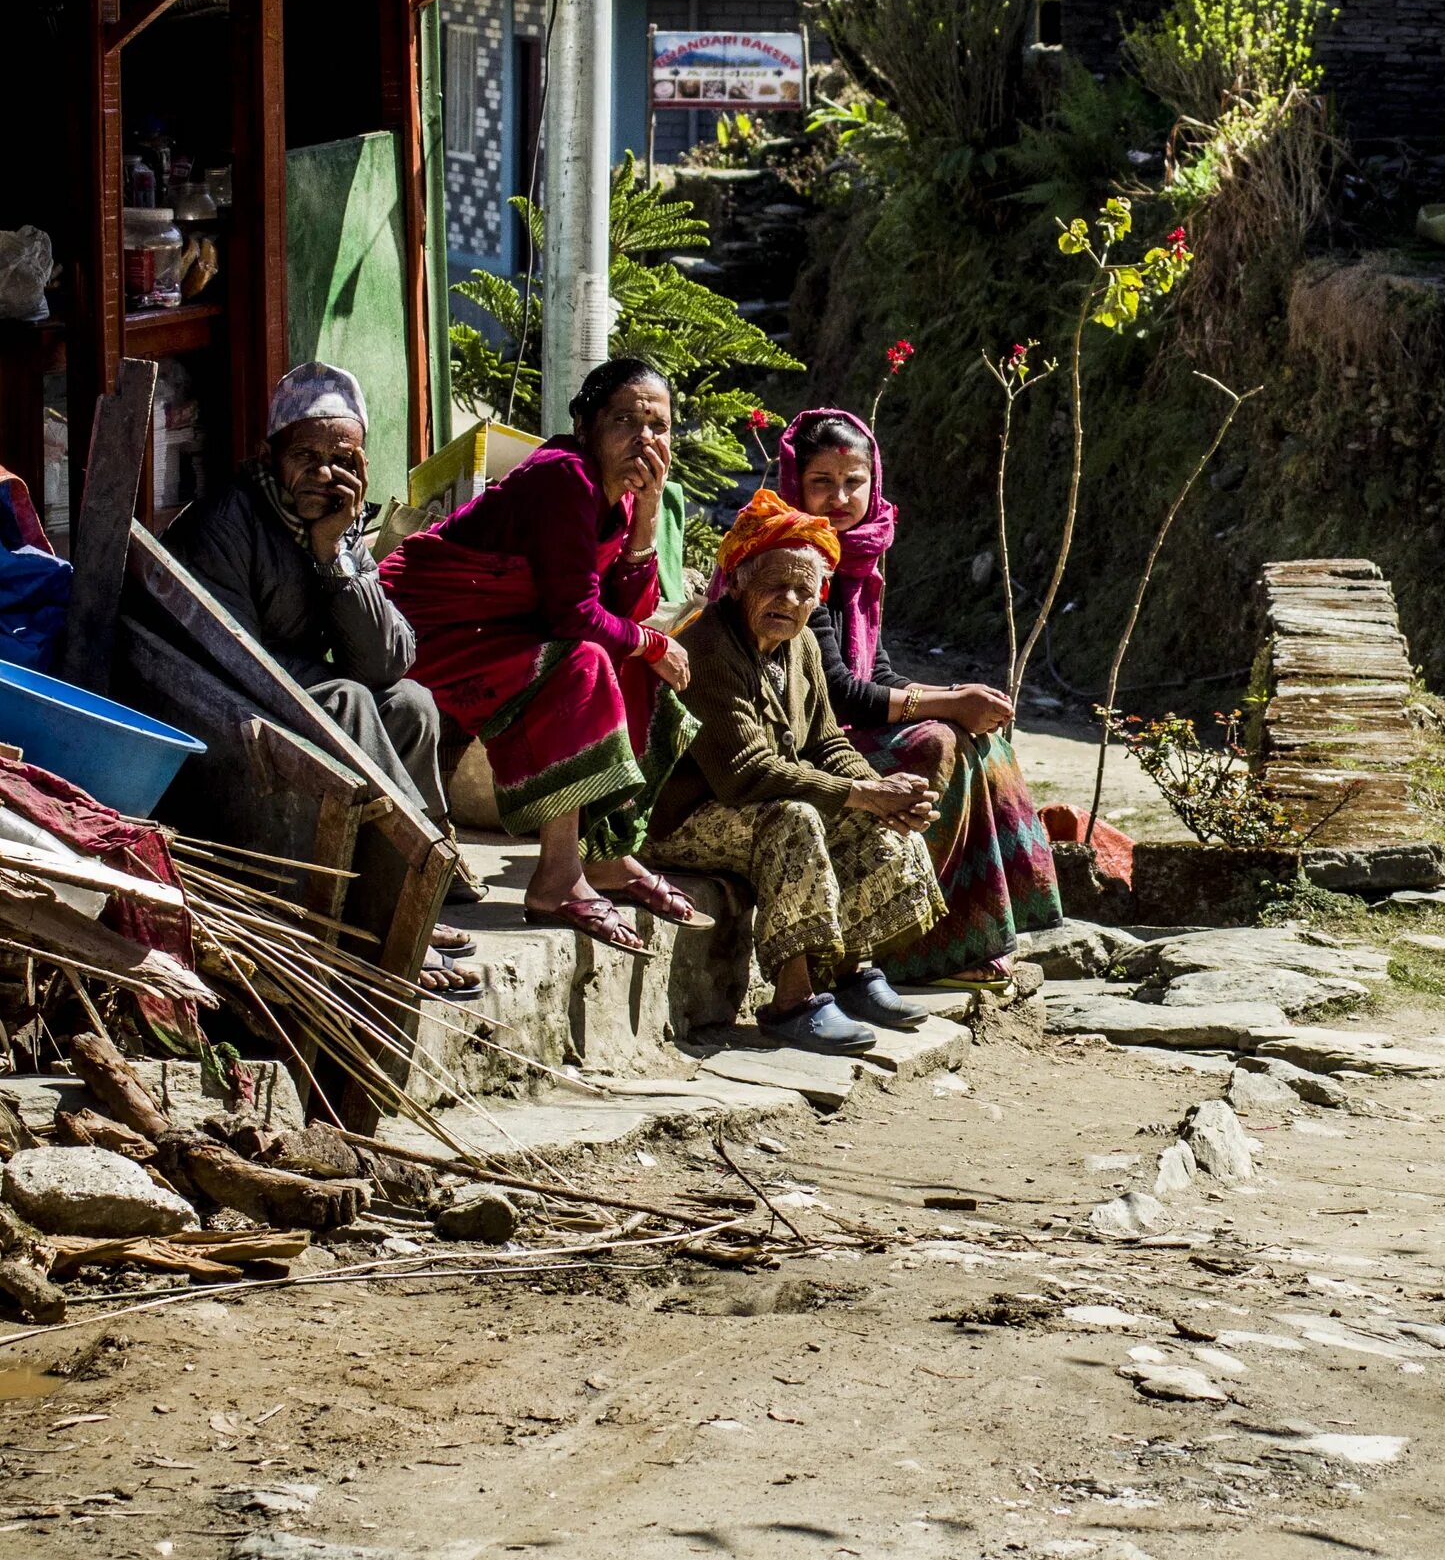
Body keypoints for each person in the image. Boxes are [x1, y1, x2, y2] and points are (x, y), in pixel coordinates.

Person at [162, 363, 477, 997]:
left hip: (294, 691)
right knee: (349, 700)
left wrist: (336, 554)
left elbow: (389, 660)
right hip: (226, 712)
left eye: (342, 457)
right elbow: (237, 663)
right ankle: (399, 904)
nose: (324, 472)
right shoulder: (229, 523)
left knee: (409, 704)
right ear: (268, 454)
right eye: (305, 454)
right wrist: (328, 682)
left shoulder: (338, 519)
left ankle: (400, 893)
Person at [380, 358, 709, 959]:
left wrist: (646, 515)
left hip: (501, 627)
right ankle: (558, 876)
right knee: (585, 660)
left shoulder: (616, 499)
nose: (644, 439)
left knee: (632, 663)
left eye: (657, 426)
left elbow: (624, 615)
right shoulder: (565, 478)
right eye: (624, 421)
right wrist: (655, 643)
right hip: (426, 627)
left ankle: (606, 855)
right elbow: (576, 617)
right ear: (584, 425)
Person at [646, 492, 947, 1051]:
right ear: (736, 580)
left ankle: (852, 971)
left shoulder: (802, 642)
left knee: (880, 827)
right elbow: (746, 773)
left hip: (748, 798)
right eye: (774, 585)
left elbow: (828, 740)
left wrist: (885, 792)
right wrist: (861, 791)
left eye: (804, 591)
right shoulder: (709, 647)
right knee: (795, 821)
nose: (789, 599)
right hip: (680, 818)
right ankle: (792, 1002)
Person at [777, 407, 1063, 988]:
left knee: (982, 736)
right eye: (821, 483)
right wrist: (947, 707)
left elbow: (875, 670)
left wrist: (961, 696)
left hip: (842, 726)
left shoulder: (857, 556)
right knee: (936, 742)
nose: (840, 497)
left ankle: (985, 927)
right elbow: (838, 693)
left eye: (853, 482)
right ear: (794, 485)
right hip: (800, 744)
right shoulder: (793, 557)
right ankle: (910, 946)